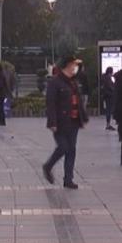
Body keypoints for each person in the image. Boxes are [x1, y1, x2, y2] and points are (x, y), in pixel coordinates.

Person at [43, 56, 88, 189]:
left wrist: (83, 118)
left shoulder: (73, 82)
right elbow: (50, 103)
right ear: (67, 66)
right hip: (60, 121)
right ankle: (48, 166)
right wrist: (52, 122)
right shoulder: (55, 83)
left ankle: (68, 179)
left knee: (71, 150)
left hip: (73, 121)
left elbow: (78, 101)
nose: (75, 67)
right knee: (63, 147)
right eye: (73, 65)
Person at [100, 66, 117, 131]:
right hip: (109, 96)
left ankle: (108, 124)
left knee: (108, 109)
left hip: (106, 96)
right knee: (109, 110)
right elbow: (111, 87)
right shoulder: (108, 78)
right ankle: (108, 124)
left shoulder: (104, 77)